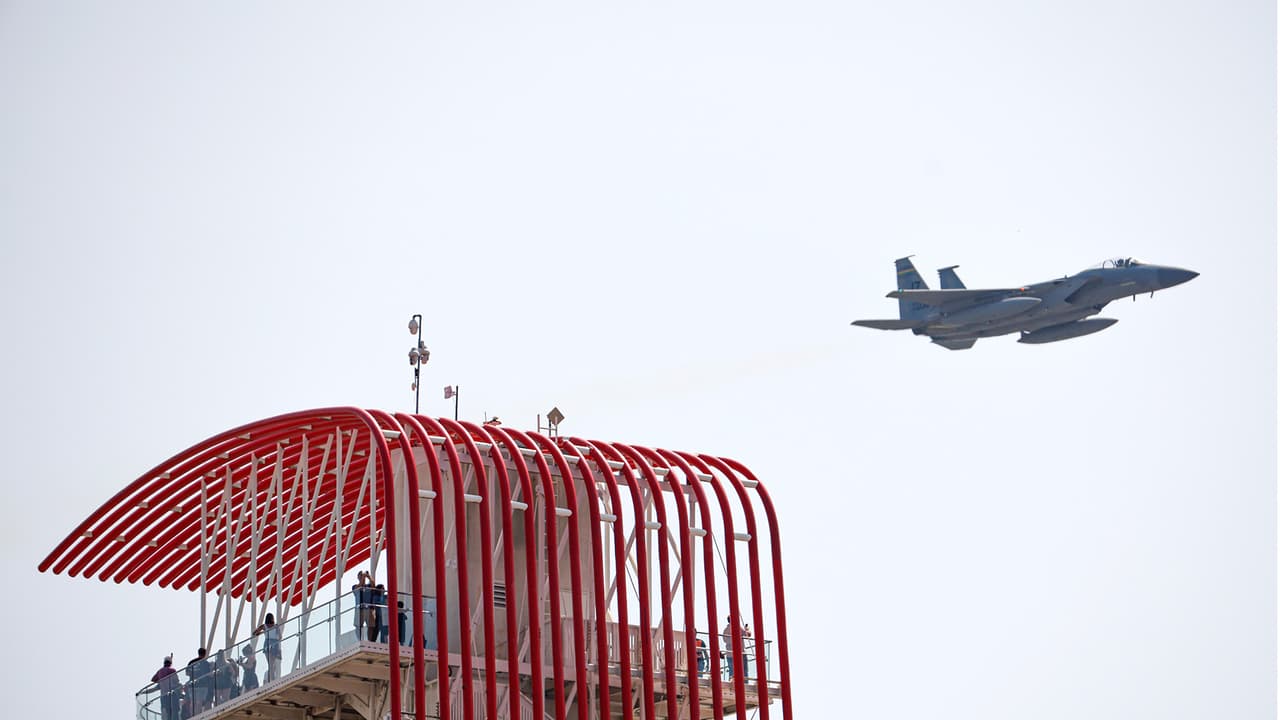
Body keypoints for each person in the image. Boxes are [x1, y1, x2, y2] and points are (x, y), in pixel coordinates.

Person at [151, 655, 181, 720]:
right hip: (172, 694)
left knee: (166, 711)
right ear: (170, 663)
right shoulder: (172, 670)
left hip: (163, 695)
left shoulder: (160, 671)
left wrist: (161, 681)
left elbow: (153, 679)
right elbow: (176, 681)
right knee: (175, 711)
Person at [254, 613, 282, 682]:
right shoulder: (276, 626)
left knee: (270, 664)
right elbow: (280, 636)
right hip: (275, 644)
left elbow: (254, 633)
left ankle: (271, 679)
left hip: (267, 643)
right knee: (273, 664)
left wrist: (262, 632)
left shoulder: (264, 626)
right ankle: (273, 679)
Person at [185, 648, 212, 714]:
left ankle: (192, 716)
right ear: (205, 654)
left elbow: (187, 673)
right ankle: (198, 716)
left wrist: (193, 673)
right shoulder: (206, 663)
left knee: (192, 702)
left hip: (192, 685)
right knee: (199, 702)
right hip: (202, 685)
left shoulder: (191, 662)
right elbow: (209, 674)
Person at [352, 571, 371, 641]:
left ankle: (370, 640)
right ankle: (359, 640)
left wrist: (369, 577)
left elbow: (373, 585)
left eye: (362, 576)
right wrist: (363, 577)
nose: (362, 578)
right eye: (360, 576)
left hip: (368, 608)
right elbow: (359, 587)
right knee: (358, 626)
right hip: (359, 609)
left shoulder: (368, 587)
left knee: (370, 625)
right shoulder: (354, 586)